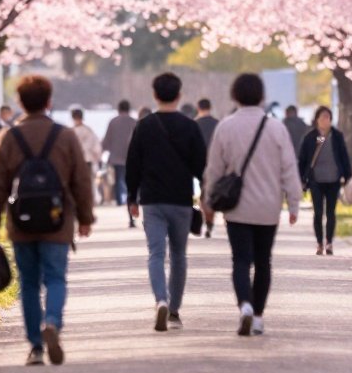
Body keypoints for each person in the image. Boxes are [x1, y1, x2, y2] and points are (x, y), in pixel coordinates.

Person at [0, 74, 94, 367]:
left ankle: (35, 347)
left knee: (29, 283)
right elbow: (81, 181)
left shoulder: (7, 137)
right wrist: (85, 218)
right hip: (58, 222)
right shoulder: (65, 136)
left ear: (20, 102)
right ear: (49, 102)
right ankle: (53, 322)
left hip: (20, 223)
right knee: (56, 277)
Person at [202, 72, 301, 337]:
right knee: (264, 262)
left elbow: (214, 169)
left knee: (240, 260)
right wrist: (293, 203)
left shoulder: (226, 126)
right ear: (262, 96)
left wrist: (208, 199)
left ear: (234, 95)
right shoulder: (276, 128)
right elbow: (289, 169)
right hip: (268, 209)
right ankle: (257, 316)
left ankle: (244, 304)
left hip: (237, 209)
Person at [126, 73, 207, 331]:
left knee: (156, 253)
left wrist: (131, 197)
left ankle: (160, 299)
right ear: (179, 95)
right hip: (181, 200)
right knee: (179, 255)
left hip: (152, 200)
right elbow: (201, 166)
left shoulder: (144, 125)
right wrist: (205, 196)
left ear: (155, 95)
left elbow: (132, 165)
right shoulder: (190, 126)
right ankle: (174, 311)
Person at [297, 107, 352, 256]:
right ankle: (319, 243)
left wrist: (348, 176)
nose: (325, 120)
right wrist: (301, 178)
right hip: (316, 180)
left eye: (328, 117)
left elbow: (344, 156)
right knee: (318, 212)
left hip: (333, 180)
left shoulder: (336, 136)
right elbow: (302, 159)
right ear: (316, 119)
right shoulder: (311, 137)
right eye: (322, 117)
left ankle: (329, 242)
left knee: (331, 212)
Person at [103, 99, 137, 223]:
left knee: (118, 179)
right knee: (131, 181)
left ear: (118, 109)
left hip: (116, 157)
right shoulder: (134, 122)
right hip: (131, 157)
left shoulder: (113, 122)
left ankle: (119, 200)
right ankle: (131, 199)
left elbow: (107, 139)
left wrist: (103, 150)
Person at [70, 107, 103, 199]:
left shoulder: (70, 132)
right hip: (87, 160)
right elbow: (97, 147)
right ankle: (88, 200)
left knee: (75, 183)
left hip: (74, 161)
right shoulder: (88, 131)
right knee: (88, 182)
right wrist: (97, 158)